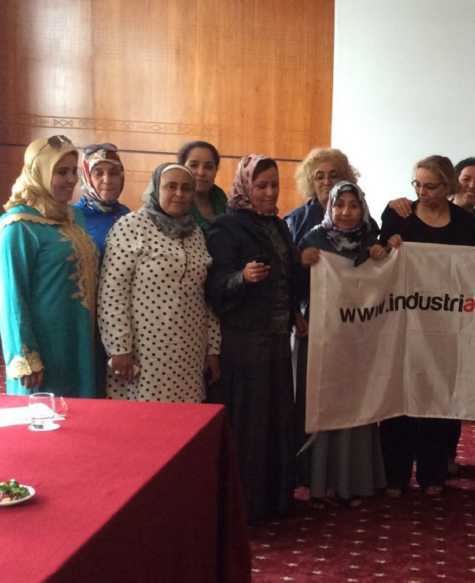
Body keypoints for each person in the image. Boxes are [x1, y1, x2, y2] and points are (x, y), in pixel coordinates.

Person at [378, 155, 475, 497]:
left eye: (430, 186)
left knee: (441, 395)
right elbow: (379, 261)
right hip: (403, 324)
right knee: (400, 397)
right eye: (416, 184)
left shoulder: (466, 224)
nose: (421, 192)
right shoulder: (398, 214)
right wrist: (388, 248)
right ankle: (395, 474)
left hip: (446, 326)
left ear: (448, 186)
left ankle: (432, 474)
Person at [206, 154, 307, 522]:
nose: (268, 192)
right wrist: (241, 278)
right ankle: (244, 506)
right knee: (249, 425)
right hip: (243, 344)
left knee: (276, 421)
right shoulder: (226, 227)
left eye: (274, 185)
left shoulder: (278, 226)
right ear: (246, 186)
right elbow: (213, 286)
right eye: (261, 185)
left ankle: (274, 500)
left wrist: (296, 311)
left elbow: (288, 279)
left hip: (278, 341)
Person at [99, 163, 221, 403]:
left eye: (186, 188)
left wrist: (212, 349)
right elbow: (112, 293)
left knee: (186, 422)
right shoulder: (130, 226)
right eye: (171, 186)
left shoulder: (195, 232)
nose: (179, 193)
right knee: (147, 422)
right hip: (145, 350)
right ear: (156, 189)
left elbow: (205, 296)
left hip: (190, 349)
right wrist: (119, 348)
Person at [299, 182, 389, 507]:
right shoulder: (312, 240)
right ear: (330, 207)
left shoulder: (370, 240)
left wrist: (383, 256)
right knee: (325, 401)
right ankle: (320, 483)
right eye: (340, 206)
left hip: (360, 341)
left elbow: (383, 287)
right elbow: (293, 287)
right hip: (322, 338)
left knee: (358, 403)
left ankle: (356, 481)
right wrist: (301, 262)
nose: (347, 213)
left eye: (354, 205)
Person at [0, 135, 103, 398]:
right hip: (47, 345)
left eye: (73, 172)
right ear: (38, 172)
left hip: (81, 336)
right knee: (47, 422)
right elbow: (12, 299)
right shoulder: (18, 226)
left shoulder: (72, 215)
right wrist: (25, 356)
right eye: (60, 171)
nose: (71, 180)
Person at [286, 148, 375, 246]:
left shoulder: (362, 217)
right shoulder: (295, 219)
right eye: (320, 177)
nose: (327, 182)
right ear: (311, 182)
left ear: (344, 179)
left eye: (333, 176)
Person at [71, 143, 130, 255]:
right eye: (98, 173)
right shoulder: (73, 216)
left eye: (114, 173)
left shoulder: (125, 214)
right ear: (87, 177)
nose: (107, 180)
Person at [178, 140, 228, 231]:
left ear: (216, 170)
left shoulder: (226, 205)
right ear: (182, 168)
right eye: (193, 165)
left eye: (208, 167)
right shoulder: (172, 207)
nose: (201, 173)